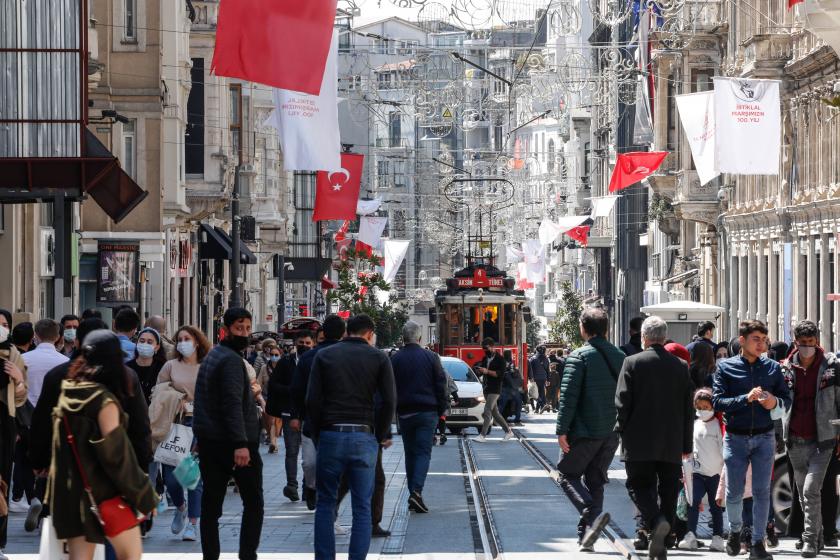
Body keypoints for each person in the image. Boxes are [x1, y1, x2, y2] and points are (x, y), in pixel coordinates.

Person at [47, 329, 158, 560]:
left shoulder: (68, 394)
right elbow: (117, 457)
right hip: (102, 495)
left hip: (68, 495)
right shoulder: (103, 401)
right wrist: (144, 495)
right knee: (131, 554)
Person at [306, 314, 396, 560]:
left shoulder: (325, 355)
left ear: (347, 331)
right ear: (370, 333)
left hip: (331, 434)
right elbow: (389, 401)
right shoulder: (379, 357)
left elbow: (312, 400)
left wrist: (317, 435)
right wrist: (378, 434)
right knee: (362, 507)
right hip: (363, 435)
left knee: (325, 502)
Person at [615, 315, 694, 560]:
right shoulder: (680, 366)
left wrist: (621, 431)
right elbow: (687, 409)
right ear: (664, 337)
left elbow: (622, 403)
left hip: (638, 441)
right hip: (670, 440)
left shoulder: (631, 362)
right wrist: (686, 444)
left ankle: (657, 521)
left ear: (644, 338)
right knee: (669, 488)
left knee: (638, 485)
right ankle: (663, 537)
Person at [712, 320, 791, 560]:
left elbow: (786, 400)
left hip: (765, 437)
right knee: (734, 492)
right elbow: (717, 402)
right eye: (756, 339)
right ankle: (736, 531)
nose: (761, 344)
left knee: (761, 491)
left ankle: (758, 543)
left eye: (764, 340)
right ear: (743, 340)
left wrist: (774, 403)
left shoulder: (772, 368)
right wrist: (744, 399)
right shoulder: (725, 368)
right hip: (735, 437)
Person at [193, 308, 263, 560]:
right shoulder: (231, 361)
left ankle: (210, 556)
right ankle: (247, 555)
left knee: (211, 506)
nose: (244, 333)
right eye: (238, 328)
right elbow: (232, 403)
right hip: (234, 444)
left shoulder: (214, 356)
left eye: (247, 328)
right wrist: (241, 444)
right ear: (227, 329)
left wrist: (200, 438)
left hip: (211, 442)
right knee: (253, 503)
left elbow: (201, 400)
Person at [555, 307, 624, 552]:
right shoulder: (619, 356)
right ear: (606, 328)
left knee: (567, 475)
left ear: (583, 328)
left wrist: (562, 429)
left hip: (585, 431)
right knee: (596, 480)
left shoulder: (579, 357)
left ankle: (589, 512)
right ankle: (587, 536)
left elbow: (568, 398)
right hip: (611, 431)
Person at [778, 320, 840, 558]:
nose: (807, 348)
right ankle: (818, 534)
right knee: (804, 492)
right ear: (796, 343)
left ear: (817, 342)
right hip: (795, 439)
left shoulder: (832, 367)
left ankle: (809, 541)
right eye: (802, 343)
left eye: (811, 343)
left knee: (811, 489)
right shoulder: (785, 369)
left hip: (823, 439)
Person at [155, 325, 210, 542]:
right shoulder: (170, 366)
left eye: (187, 338)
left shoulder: (207, 365)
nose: (183, 342)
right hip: (175, 423)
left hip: (200, 423)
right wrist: (175, 399)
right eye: (180, 339)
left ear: (197, 341)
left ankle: (193, 524)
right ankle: (180, 506)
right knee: (172, 478)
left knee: (193, 477)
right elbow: (159, 392)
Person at [14, 319, 68, 524]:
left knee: (25, 462)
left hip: (24, 418)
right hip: (54, 420)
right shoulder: (63, 362)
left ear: (35, 335)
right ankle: (46, 502)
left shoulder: (23, 359)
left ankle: (32, 497)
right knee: (54, 463)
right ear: (58, 337)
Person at [391, 321, 448, 514]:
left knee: (410, 453)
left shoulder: (395, 359)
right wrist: (442, 409)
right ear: (420, 338)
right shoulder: (431, 357)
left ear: (403, 338)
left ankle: (413, 492)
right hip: (427, 412)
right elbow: (441, 384)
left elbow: (389, 388)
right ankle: (416, 491)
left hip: (405, 413)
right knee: (423, 452)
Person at [291, 315, 346, 512]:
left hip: (319, 418)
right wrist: (296, 415)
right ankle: (313, 487)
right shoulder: (310, 357)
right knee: (312, 462)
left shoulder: (310, 357)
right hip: (321, 418)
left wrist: (297, 414)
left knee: (311, 461)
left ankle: (324, 494)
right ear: (342, 334)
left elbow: (296, 389)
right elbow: (297, 389)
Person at [268, 330, 314, 502]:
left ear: (313, 344)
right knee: (292, 450)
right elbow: (274, 384)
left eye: (308, 343)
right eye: (301, 343)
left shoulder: (316, 361)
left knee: (310, 454)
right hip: (289, 412)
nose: (304, 346)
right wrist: (292, 390)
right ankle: (292, 485)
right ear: (295, 343)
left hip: (310, 414)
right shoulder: (286, 362)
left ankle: (307, 486)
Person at [678, 388, 725, 552]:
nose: (703, 410)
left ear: (713, 407)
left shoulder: (719, 426)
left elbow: (724, 449)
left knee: (716, 507)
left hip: (715, 474)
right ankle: (690, 535)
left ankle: (718, 538)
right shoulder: (695, 424)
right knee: (693, 503)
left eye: (706, 407)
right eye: (699, 407)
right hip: (697, 473)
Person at [0, 309, 27, 559]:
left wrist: (18, 380)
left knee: (2, 484)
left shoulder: (14, 355)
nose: (2, 327)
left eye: (5, 324)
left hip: (3, 425)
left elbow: (21, 398)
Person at [472, 338, 515, 443]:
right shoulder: (485, 358)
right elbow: (482, 371)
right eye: (483, 349)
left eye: (486, 348)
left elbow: (499, 375)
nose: (485, 350)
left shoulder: (500, 360)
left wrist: (487, 371)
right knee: (495, 413)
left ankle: (482, 435)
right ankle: (508, 432)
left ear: (492, 347)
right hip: (486, 388)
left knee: (487, 411)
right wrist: (478, 371)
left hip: (495, 389)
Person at [127, 327, 167, 403]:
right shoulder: (127, 367)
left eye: (149, 342)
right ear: (137, 343)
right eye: (142, 341)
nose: (145, 344)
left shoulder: (163, 368)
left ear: (157, 347)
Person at [259, 344, 284, 453]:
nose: (274, 356)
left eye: (276, 355)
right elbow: (259, 382)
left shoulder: (284, 367)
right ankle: (273, 442)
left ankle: (273, 440)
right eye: (272, 354)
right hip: (267, 398)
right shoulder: (264, 368)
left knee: (276, 422)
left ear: (280, 355)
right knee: (271, 421)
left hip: (280, 398)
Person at [498, 349, 523, 425]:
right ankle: (517, 419)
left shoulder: (502, 362)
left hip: (504, 387)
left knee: (501, 405)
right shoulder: (511, 363)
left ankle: (497, 419)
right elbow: (513, 373)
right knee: (519, 403)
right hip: (512, 388)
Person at [529, 346, 550, 411]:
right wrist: (548, 379)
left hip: (535, 378)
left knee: (534, 393)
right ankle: (539, 408)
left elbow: (530, 369)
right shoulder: (546, 359)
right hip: (543, 377)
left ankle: (541, 406)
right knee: (541, 392)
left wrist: (530, 377)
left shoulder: (533, 358)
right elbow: (547, 370)